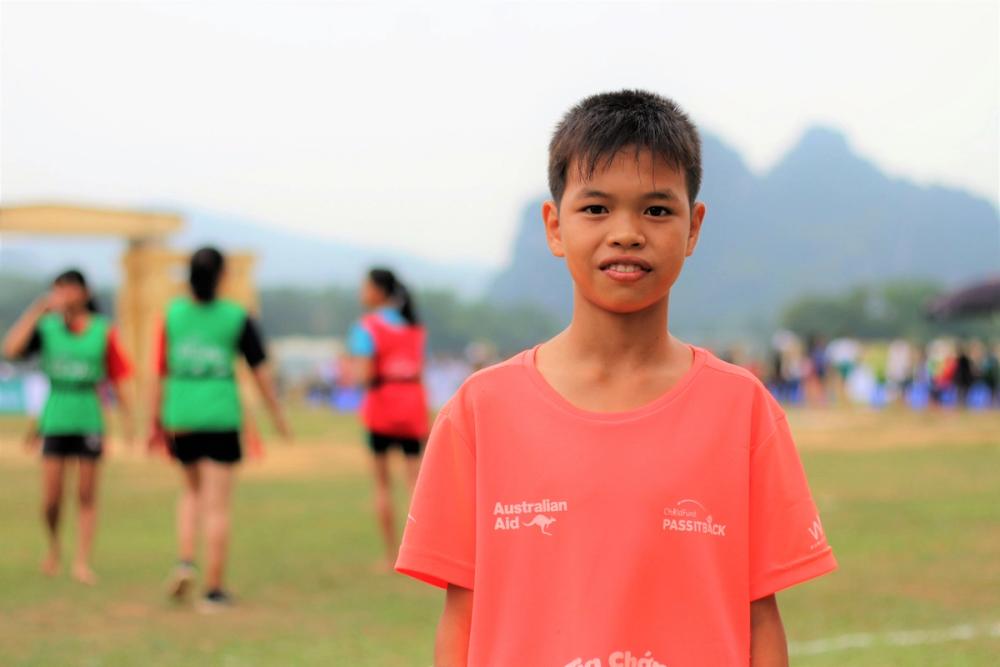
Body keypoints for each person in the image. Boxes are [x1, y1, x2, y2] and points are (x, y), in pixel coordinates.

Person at [395, 91, 837, 666]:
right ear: (554, 227)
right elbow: (462, 618)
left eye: (656, 210)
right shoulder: (481, 410)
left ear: (694, 226)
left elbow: (761, 620)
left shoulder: (743, 409)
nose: (626, 233)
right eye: (597, 209)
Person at [149, 247, 290, 612]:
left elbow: (159, 370)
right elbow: (260, 373)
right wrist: (277, 417)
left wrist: (154, 419)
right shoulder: (236, 317)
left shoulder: (172, 315)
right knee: (217, 506)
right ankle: (213, 590)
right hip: (220, 415)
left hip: (180, 413)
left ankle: (184, 562)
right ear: (223, 277)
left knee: (190, 492)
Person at [2, 269, 132, 584]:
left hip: (88, 416)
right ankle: (54, 548)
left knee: (86, 494)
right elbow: (11, 349)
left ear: (85, 293)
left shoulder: (102, 330)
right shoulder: (46, 328)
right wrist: (37, 309)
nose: (66, 295)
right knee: (52, 498)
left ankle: (82, 561)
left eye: (71, 289)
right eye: (59, 289)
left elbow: (118, 375)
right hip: (55, 416)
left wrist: (129, 423)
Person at [348, 268, 430, 570]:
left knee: (382, 485)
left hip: (381, 409)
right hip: (412, 408)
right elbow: (420, 371)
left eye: (365, 286)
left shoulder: (366, 327)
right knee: (417, 486)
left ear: (378, 291)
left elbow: (364, 375)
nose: (361, 291)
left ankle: (390, 555)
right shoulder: (414, 327)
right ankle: (422, 554)